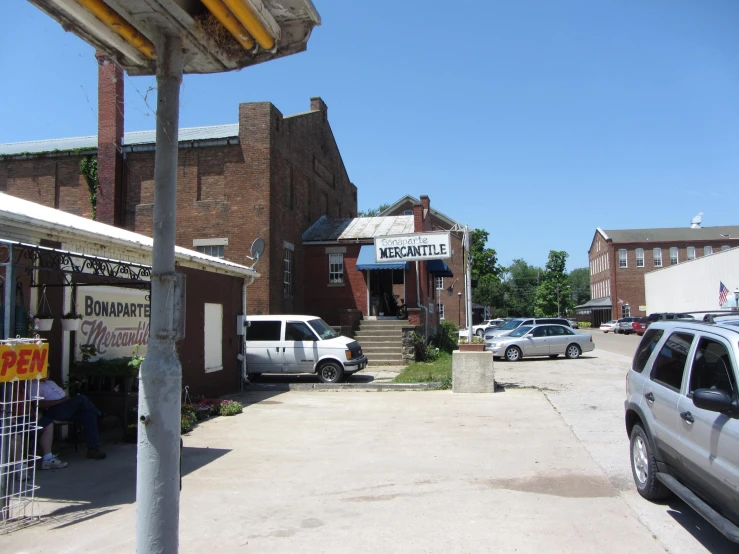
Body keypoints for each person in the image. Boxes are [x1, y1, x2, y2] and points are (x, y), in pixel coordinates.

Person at [30, 378, 106, 461]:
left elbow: (64, 396)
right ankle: (99, 414)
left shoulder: (51, 382)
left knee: (89, 415)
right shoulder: (33, 385)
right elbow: (38, 404)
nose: (47, 373)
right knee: (81, 398)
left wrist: (69, 402)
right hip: (53, 410)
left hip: (66, 408)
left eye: (48, 370)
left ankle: (93, 448)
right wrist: (61, 401)